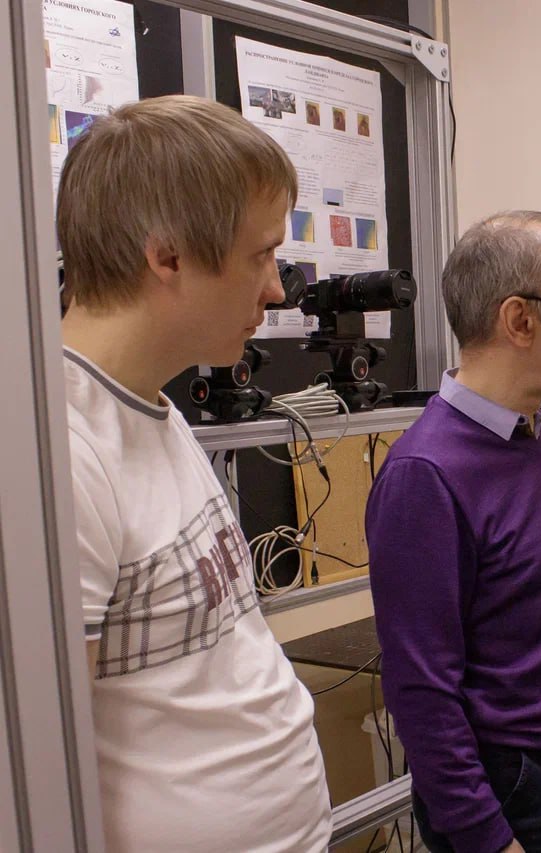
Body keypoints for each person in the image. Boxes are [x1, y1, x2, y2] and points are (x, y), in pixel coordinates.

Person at [58, 95, 330, 851]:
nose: (276, 288)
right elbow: (44, 773)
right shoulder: (63, 455)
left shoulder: (152, 408)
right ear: (169, 256)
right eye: (259, 255)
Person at [366, 211, 541, 853]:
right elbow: (421, 692)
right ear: (520, 320)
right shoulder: (426, 475)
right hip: (511, 792)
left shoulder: (525, 433)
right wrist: (485, 838)